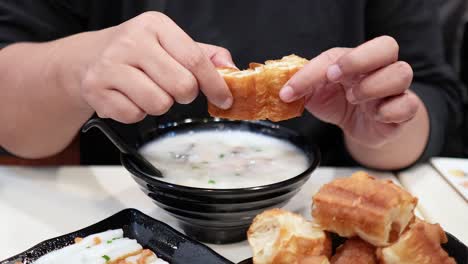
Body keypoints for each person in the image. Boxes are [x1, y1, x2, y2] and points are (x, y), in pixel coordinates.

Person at [0, 0, 463, 170]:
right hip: (133, 220)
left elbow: (433, 93)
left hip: (313, 208)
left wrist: (383, 125)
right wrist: (75, 68)